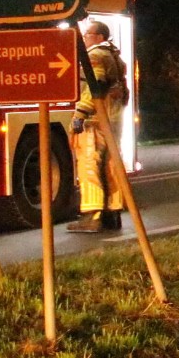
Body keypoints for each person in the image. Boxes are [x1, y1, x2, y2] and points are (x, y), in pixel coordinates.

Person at [67, 21, 130, 233]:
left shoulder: (94, 56)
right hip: (112, 120)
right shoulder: (115, 57)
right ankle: (113, 213)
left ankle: (92, 215)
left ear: (100, 37)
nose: (84, 37)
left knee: (89, 165)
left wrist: (80, 113)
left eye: (88, 34)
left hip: (95, 120)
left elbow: (94, 88)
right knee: (110, 166)